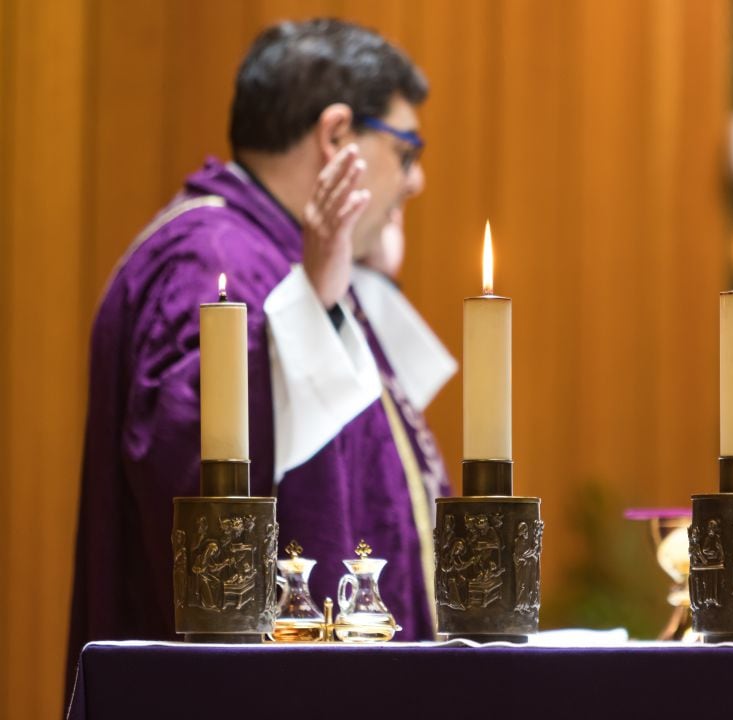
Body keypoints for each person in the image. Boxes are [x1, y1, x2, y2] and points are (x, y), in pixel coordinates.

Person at [67, 18, 457, 678]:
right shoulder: (210, 267)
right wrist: (321, 307)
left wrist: (358, 287)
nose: (415, 181)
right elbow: (207, 510)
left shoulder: (276, 258)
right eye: (407, 149)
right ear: (337, 137)